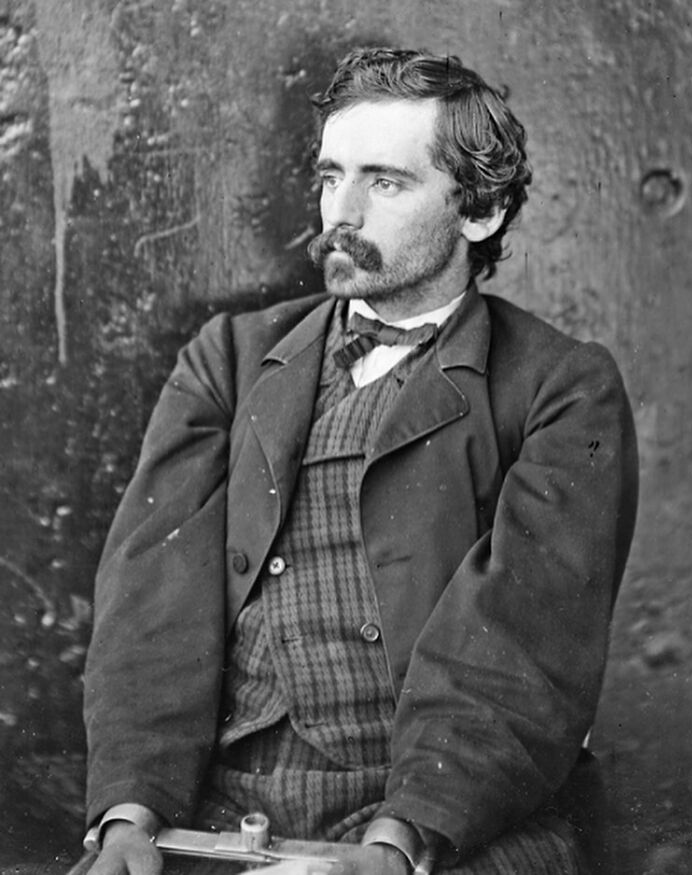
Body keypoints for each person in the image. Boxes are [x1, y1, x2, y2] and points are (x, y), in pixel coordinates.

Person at [79, 47, 638, 875]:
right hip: (222, 806)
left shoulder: (562, 386)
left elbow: (525, 647)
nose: (339, 212)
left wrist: (397, 841)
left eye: (384, 182)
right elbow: (149, 607)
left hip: (442, 817)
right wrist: (130, 815)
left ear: (477, 212)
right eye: (330, 175)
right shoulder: (228, 360)